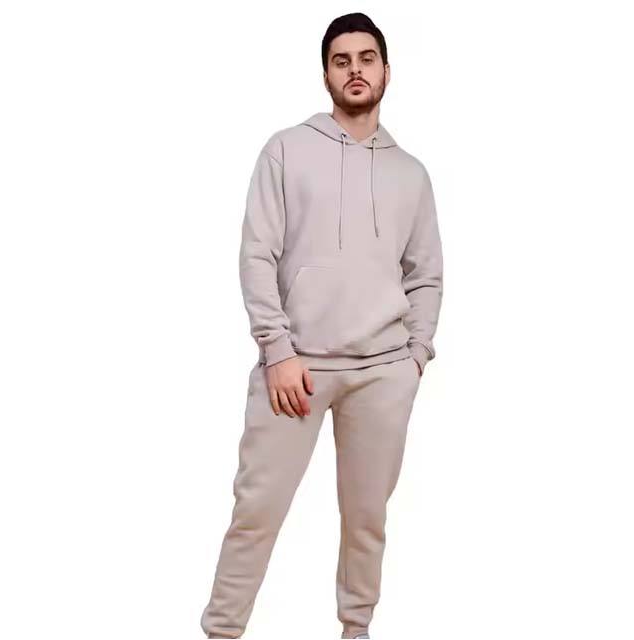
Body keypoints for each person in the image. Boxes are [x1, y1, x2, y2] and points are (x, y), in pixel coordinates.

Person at [200, 12, 443, 640]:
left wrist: (415, 357)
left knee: (366, 520)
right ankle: (222, 631)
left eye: (367, 58)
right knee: (256, 512)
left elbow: (425, 275)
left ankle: (356, 629)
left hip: (383, 373)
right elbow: (257, 253)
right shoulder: (286, 150)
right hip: (296, 370)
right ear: (326, 74)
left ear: (386, 71)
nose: (355, 70)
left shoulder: (411, 173)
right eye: (342, 60)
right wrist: (277, 350)